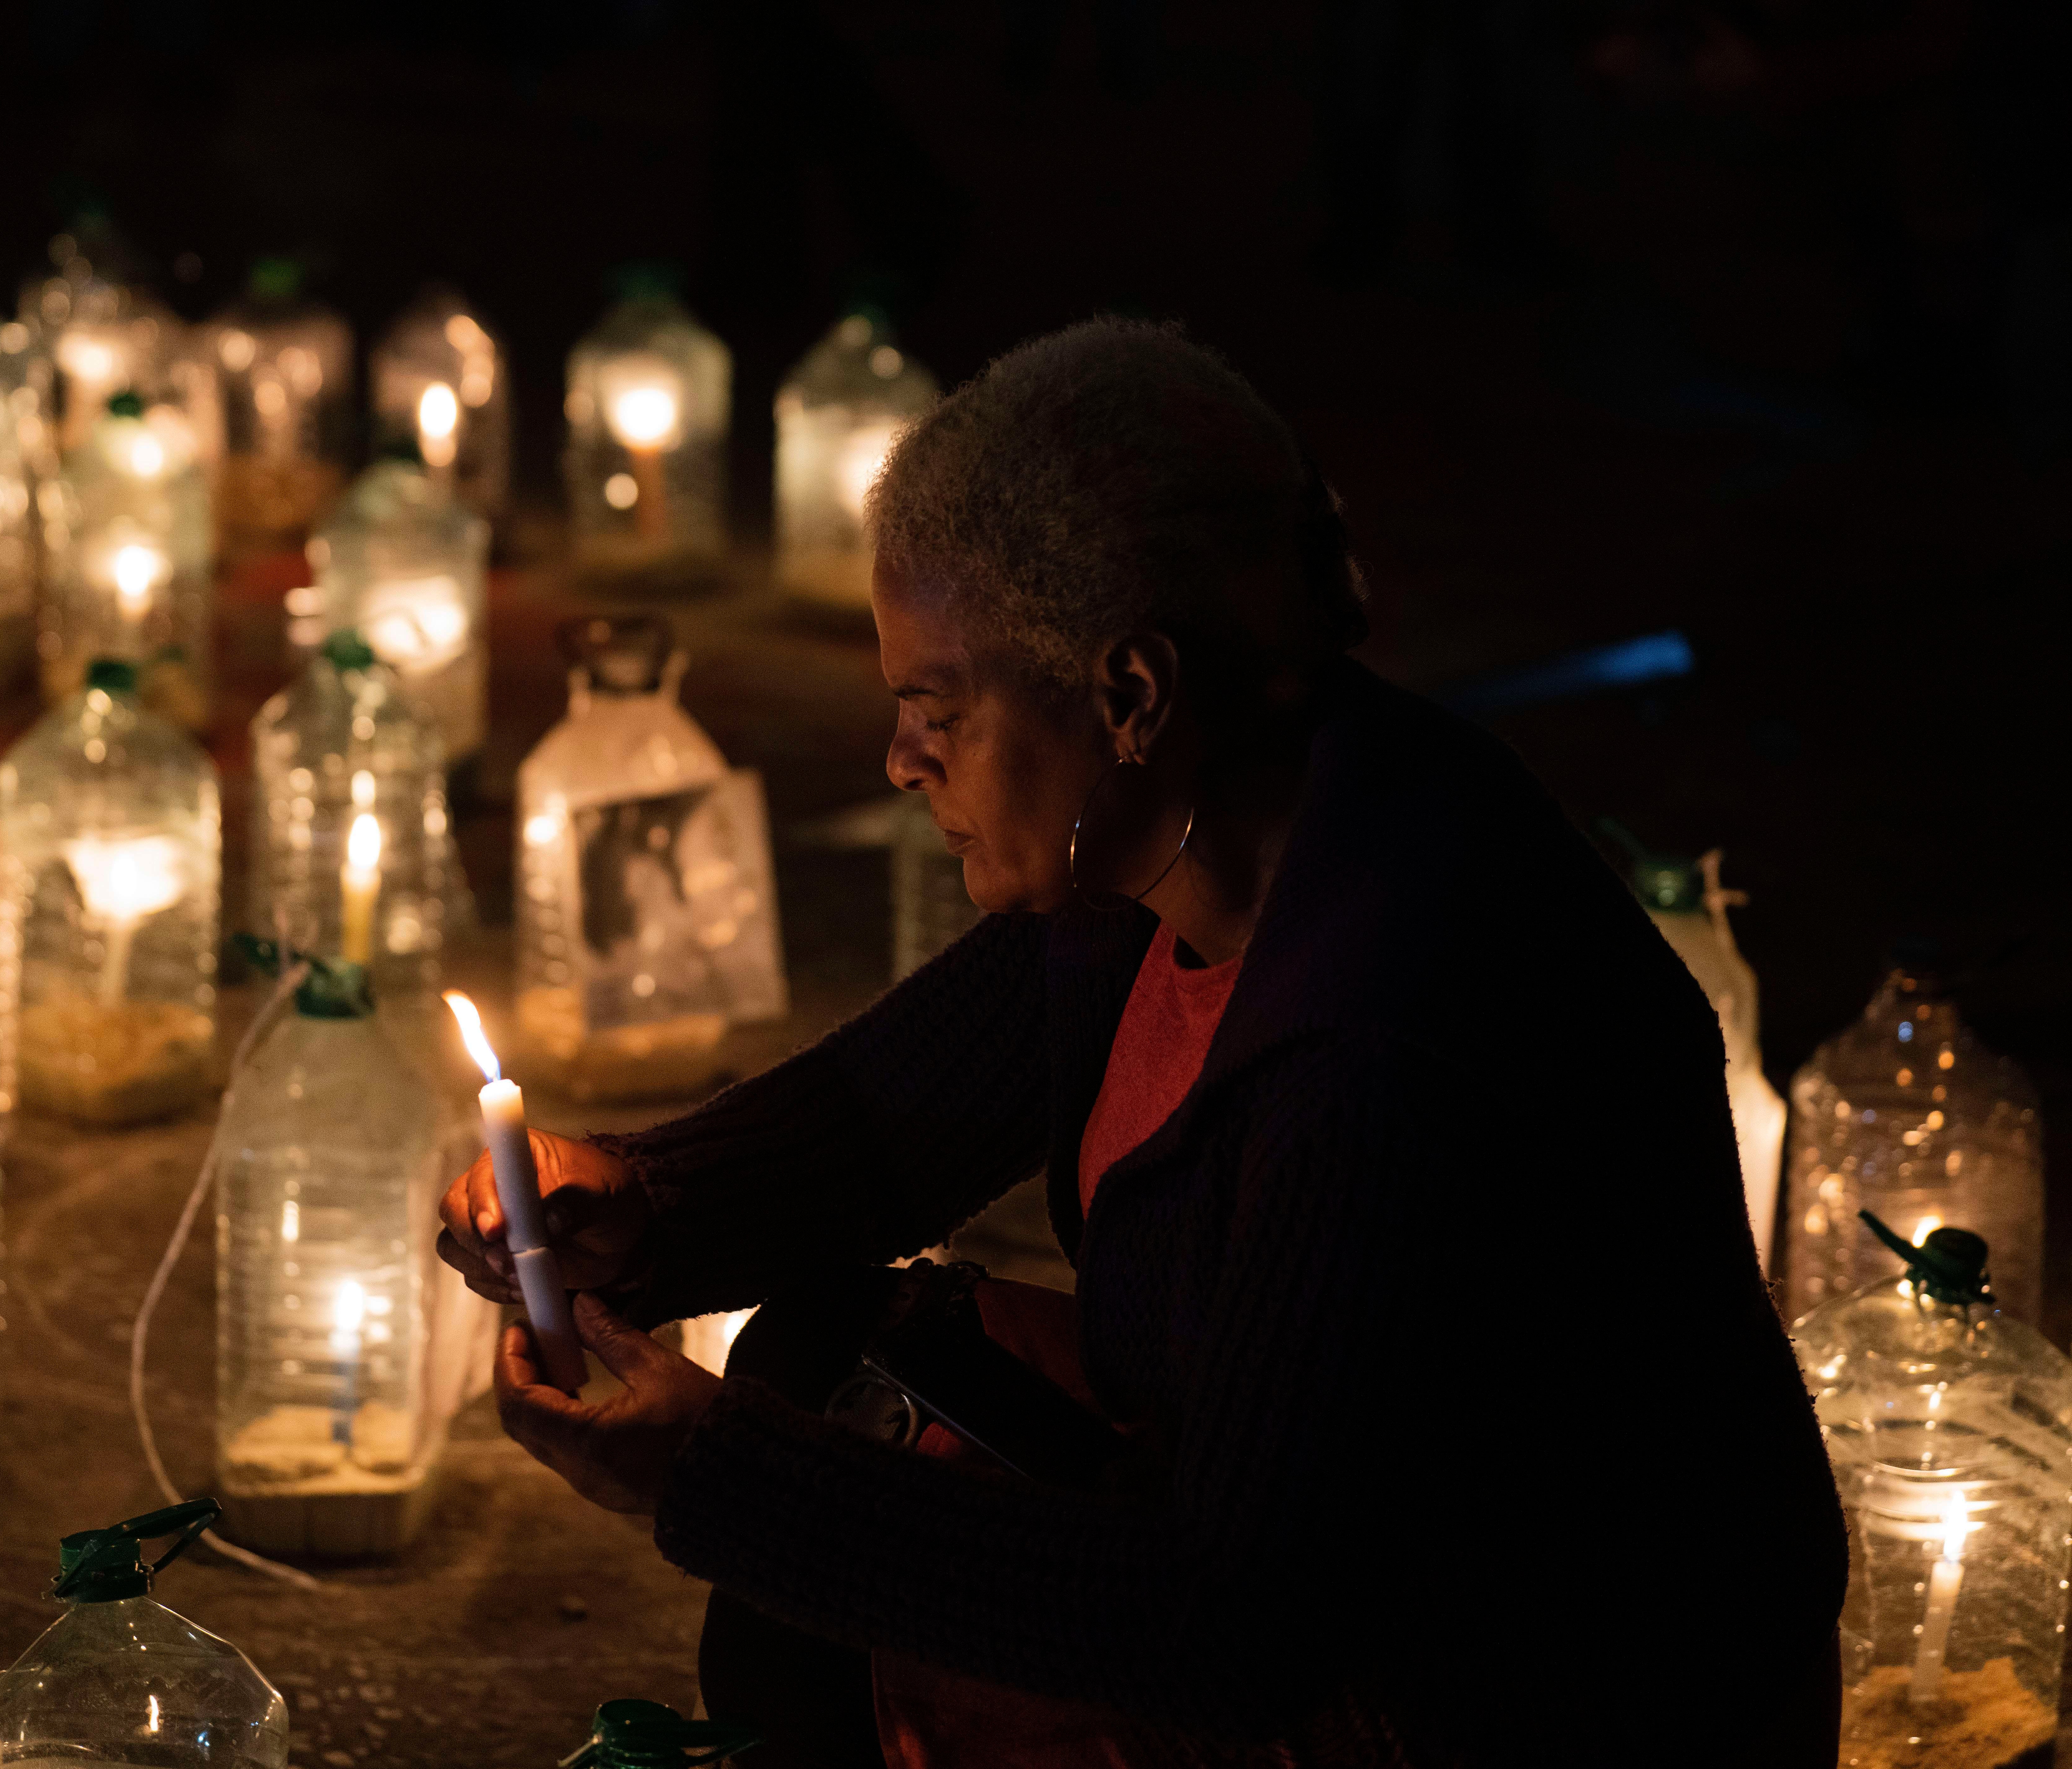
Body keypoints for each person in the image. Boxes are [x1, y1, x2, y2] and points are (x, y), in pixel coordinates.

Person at [438, 318, 1844, 1767]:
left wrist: (722, 1483)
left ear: (1128, 693)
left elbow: (1234, 1625)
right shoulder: (1184, 830)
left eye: (934, 708)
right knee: (830, 1366)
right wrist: (632, 1200)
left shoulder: (1372, 1041)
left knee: (815, 1484)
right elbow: (880, 1126)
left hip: (1526, 1697)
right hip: (1323, 1599)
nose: (897, 759)